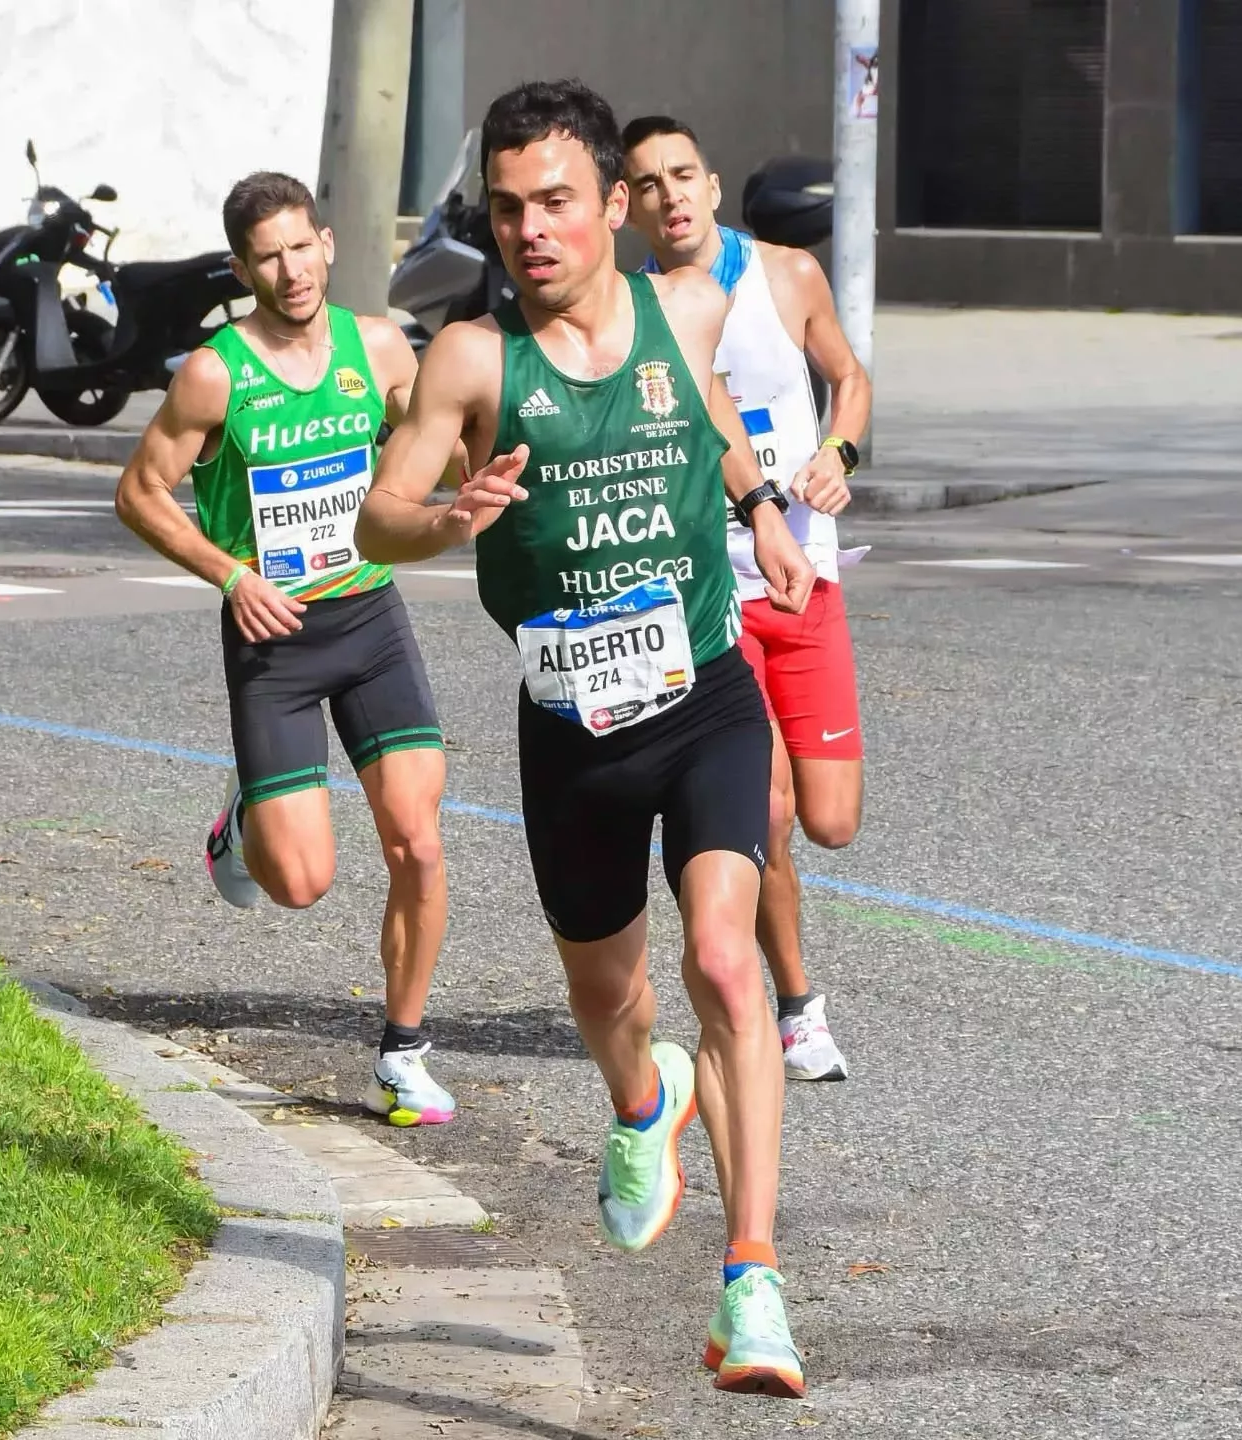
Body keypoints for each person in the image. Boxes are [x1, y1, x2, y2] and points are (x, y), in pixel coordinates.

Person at [357, 78, 814, 1399]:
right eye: (507, 209)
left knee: (728, 965)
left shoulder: (690, 305)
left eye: (556, 201)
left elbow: (706, 410)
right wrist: (445, 519)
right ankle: (638, 1103)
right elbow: (378, 517)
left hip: (709, 692)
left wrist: (765, 505)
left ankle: (754, 1285)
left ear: (613, 203)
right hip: (572, 730)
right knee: (613, 1002)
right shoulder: (473, 361)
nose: (530, 231)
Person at [114, 171, 458, 1128]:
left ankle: (403, 1050)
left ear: (328, 243)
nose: (290, 269)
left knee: (419, 842)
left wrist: (479, 469)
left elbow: (432, 436)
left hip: (371, 619)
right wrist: (231, 575)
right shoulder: (215, 373)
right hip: (274, 633)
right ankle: (242, 821)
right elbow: (139, 493)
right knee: (301, 883)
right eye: (267, 255)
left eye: (300, 247)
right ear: (242, 267)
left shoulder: (377, 345)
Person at [622, 115, 874, 1085]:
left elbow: (848, 378)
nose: (671, 195)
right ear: (628, 208)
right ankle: (796, 1006)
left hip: (807, 577)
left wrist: (837, 454)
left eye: (683, 175)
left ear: (714, 184)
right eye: (648, 184)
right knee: (762, 817)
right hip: (712, 592)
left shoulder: (786, 275)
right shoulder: (634, 310)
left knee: (831, 821)